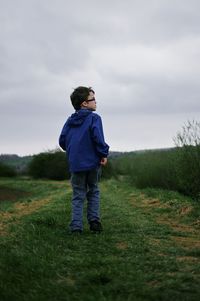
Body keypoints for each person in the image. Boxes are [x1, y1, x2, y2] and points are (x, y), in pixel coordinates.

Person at [59, 86, 109, 234]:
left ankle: (76, 227)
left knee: (78, 194)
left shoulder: (69, 121)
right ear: (84, 104)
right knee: (93, 190)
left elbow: (62, 141)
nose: (96, 101)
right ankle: (94, 222)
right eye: (93, 99)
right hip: (93, 162)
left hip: (76, 164)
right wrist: (103, 154)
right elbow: (98, 138)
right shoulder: (94, 118)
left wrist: (74, 150)